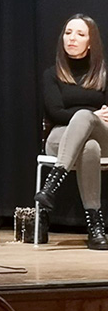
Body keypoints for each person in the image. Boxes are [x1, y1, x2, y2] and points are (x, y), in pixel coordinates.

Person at [34, 14, 108, 250]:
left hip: (102, 135)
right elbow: (55, 113)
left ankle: (52, 184)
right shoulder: (51, 74)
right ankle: (95, 226)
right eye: (68, 33)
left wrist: (90, 117)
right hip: (60, 136)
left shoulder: (104, 74)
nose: (72, 38)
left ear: (91, 42)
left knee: (86, 121)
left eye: (80, 34)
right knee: (89, 146)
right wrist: (91, 114)